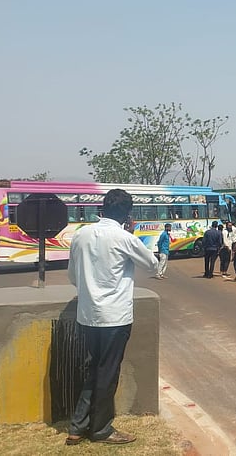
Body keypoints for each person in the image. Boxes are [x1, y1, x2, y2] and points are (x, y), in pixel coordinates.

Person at [65, 188, 157, 446]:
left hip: (87, 315)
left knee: (93, 368)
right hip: (115, 317)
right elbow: (152, 265)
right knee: (108, 372)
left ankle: (78, 425)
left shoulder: (81, 235)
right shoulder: (124, 237)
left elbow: (73, 276)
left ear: (103, 208)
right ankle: (101, 429)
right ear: (128, 214)